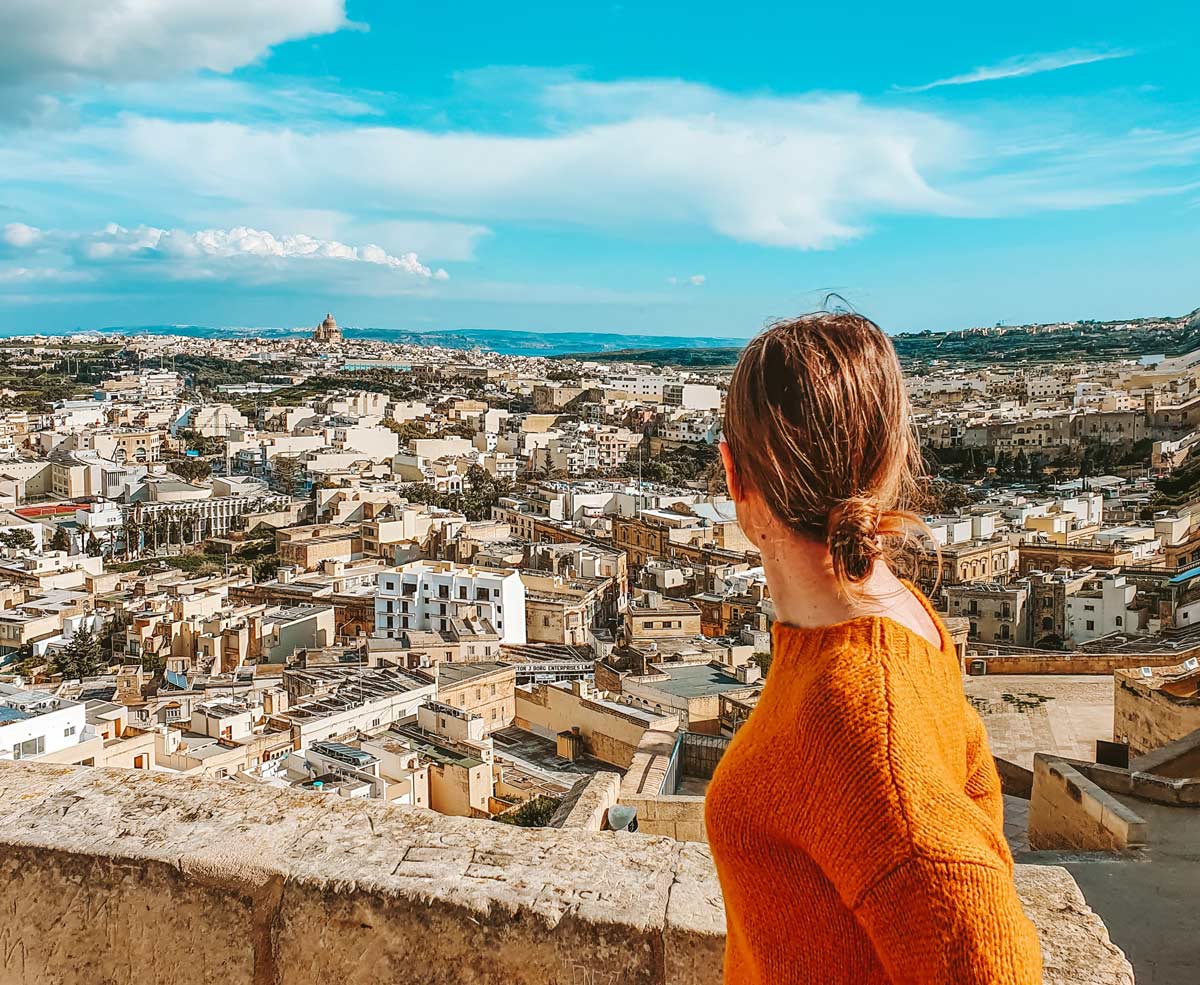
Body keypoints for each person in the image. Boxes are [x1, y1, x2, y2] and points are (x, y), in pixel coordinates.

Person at [704, 312, 1042, 984]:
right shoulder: (900, 617)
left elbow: (988, 961)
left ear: (735, 475)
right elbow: (975, 781)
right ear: (890, 457)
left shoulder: (859, 708)